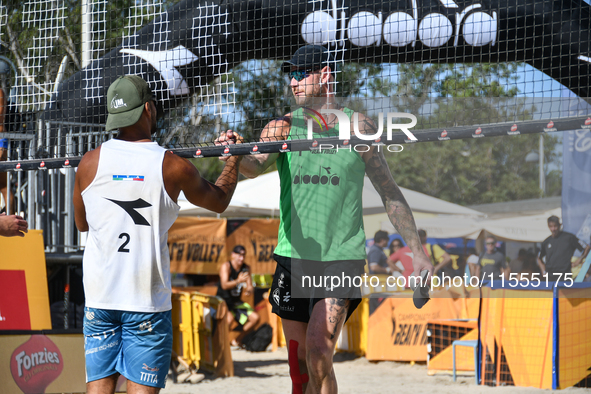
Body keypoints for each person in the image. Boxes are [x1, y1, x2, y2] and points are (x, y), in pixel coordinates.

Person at [218, 44, 432, 394]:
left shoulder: (359, 127)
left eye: (302, 73)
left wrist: (418, 251)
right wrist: (234, 152)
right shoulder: (282, 127)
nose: (294, 82)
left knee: (319, 353)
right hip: (293, 258)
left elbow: (389, 192)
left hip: (340, 261)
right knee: (299, 369)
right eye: (291, 74)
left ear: (326, 75)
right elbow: (254, 167)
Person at [73, 75, 241, 394]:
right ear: (149, 109)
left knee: (98, 390)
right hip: (145, 302)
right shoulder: (171, 165)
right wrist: (233, 158)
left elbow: (82, 225)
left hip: (100, 298)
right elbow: (219, 201)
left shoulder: (88, 163)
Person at [216, 245, 260, 346]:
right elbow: (224, 285)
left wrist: (249, 290)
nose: (241, 258)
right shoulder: (226, 266)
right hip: (222, 300)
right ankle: (221, 344)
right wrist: (238, 281)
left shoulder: (245, 268)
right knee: (229, 319)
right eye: (239, 255)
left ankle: (237, 340)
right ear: (233, 255)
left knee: (255, 318)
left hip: (235, 302)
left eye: (243, 255)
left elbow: (250, 286)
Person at [538, 215, 590, 280]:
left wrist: (579, 260)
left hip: (565, 276)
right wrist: (543, 270)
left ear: (559, 225)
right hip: (550, 277)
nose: (553, 229)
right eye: (551, 226)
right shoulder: (546, 242)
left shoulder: (569, 238)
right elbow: (539, 258)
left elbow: (586, 248)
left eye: (555, 226)